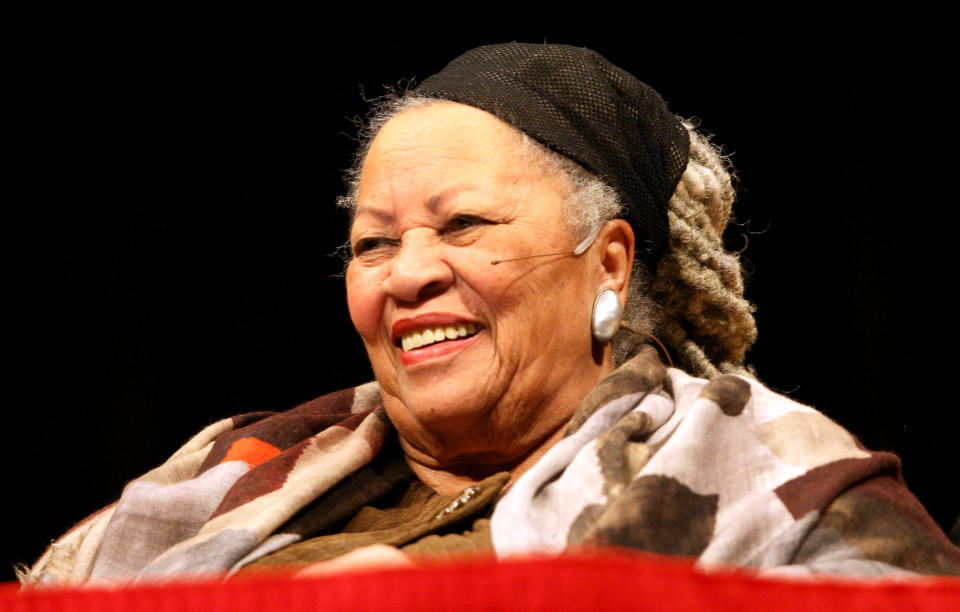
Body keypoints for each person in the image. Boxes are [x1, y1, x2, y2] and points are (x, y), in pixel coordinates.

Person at [22, 43, 959, 585]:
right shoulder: (236, 466)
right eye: (373, 244)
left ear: (611, 261)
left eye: (463, 225)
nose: (408, 276)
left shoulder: (782, 483)